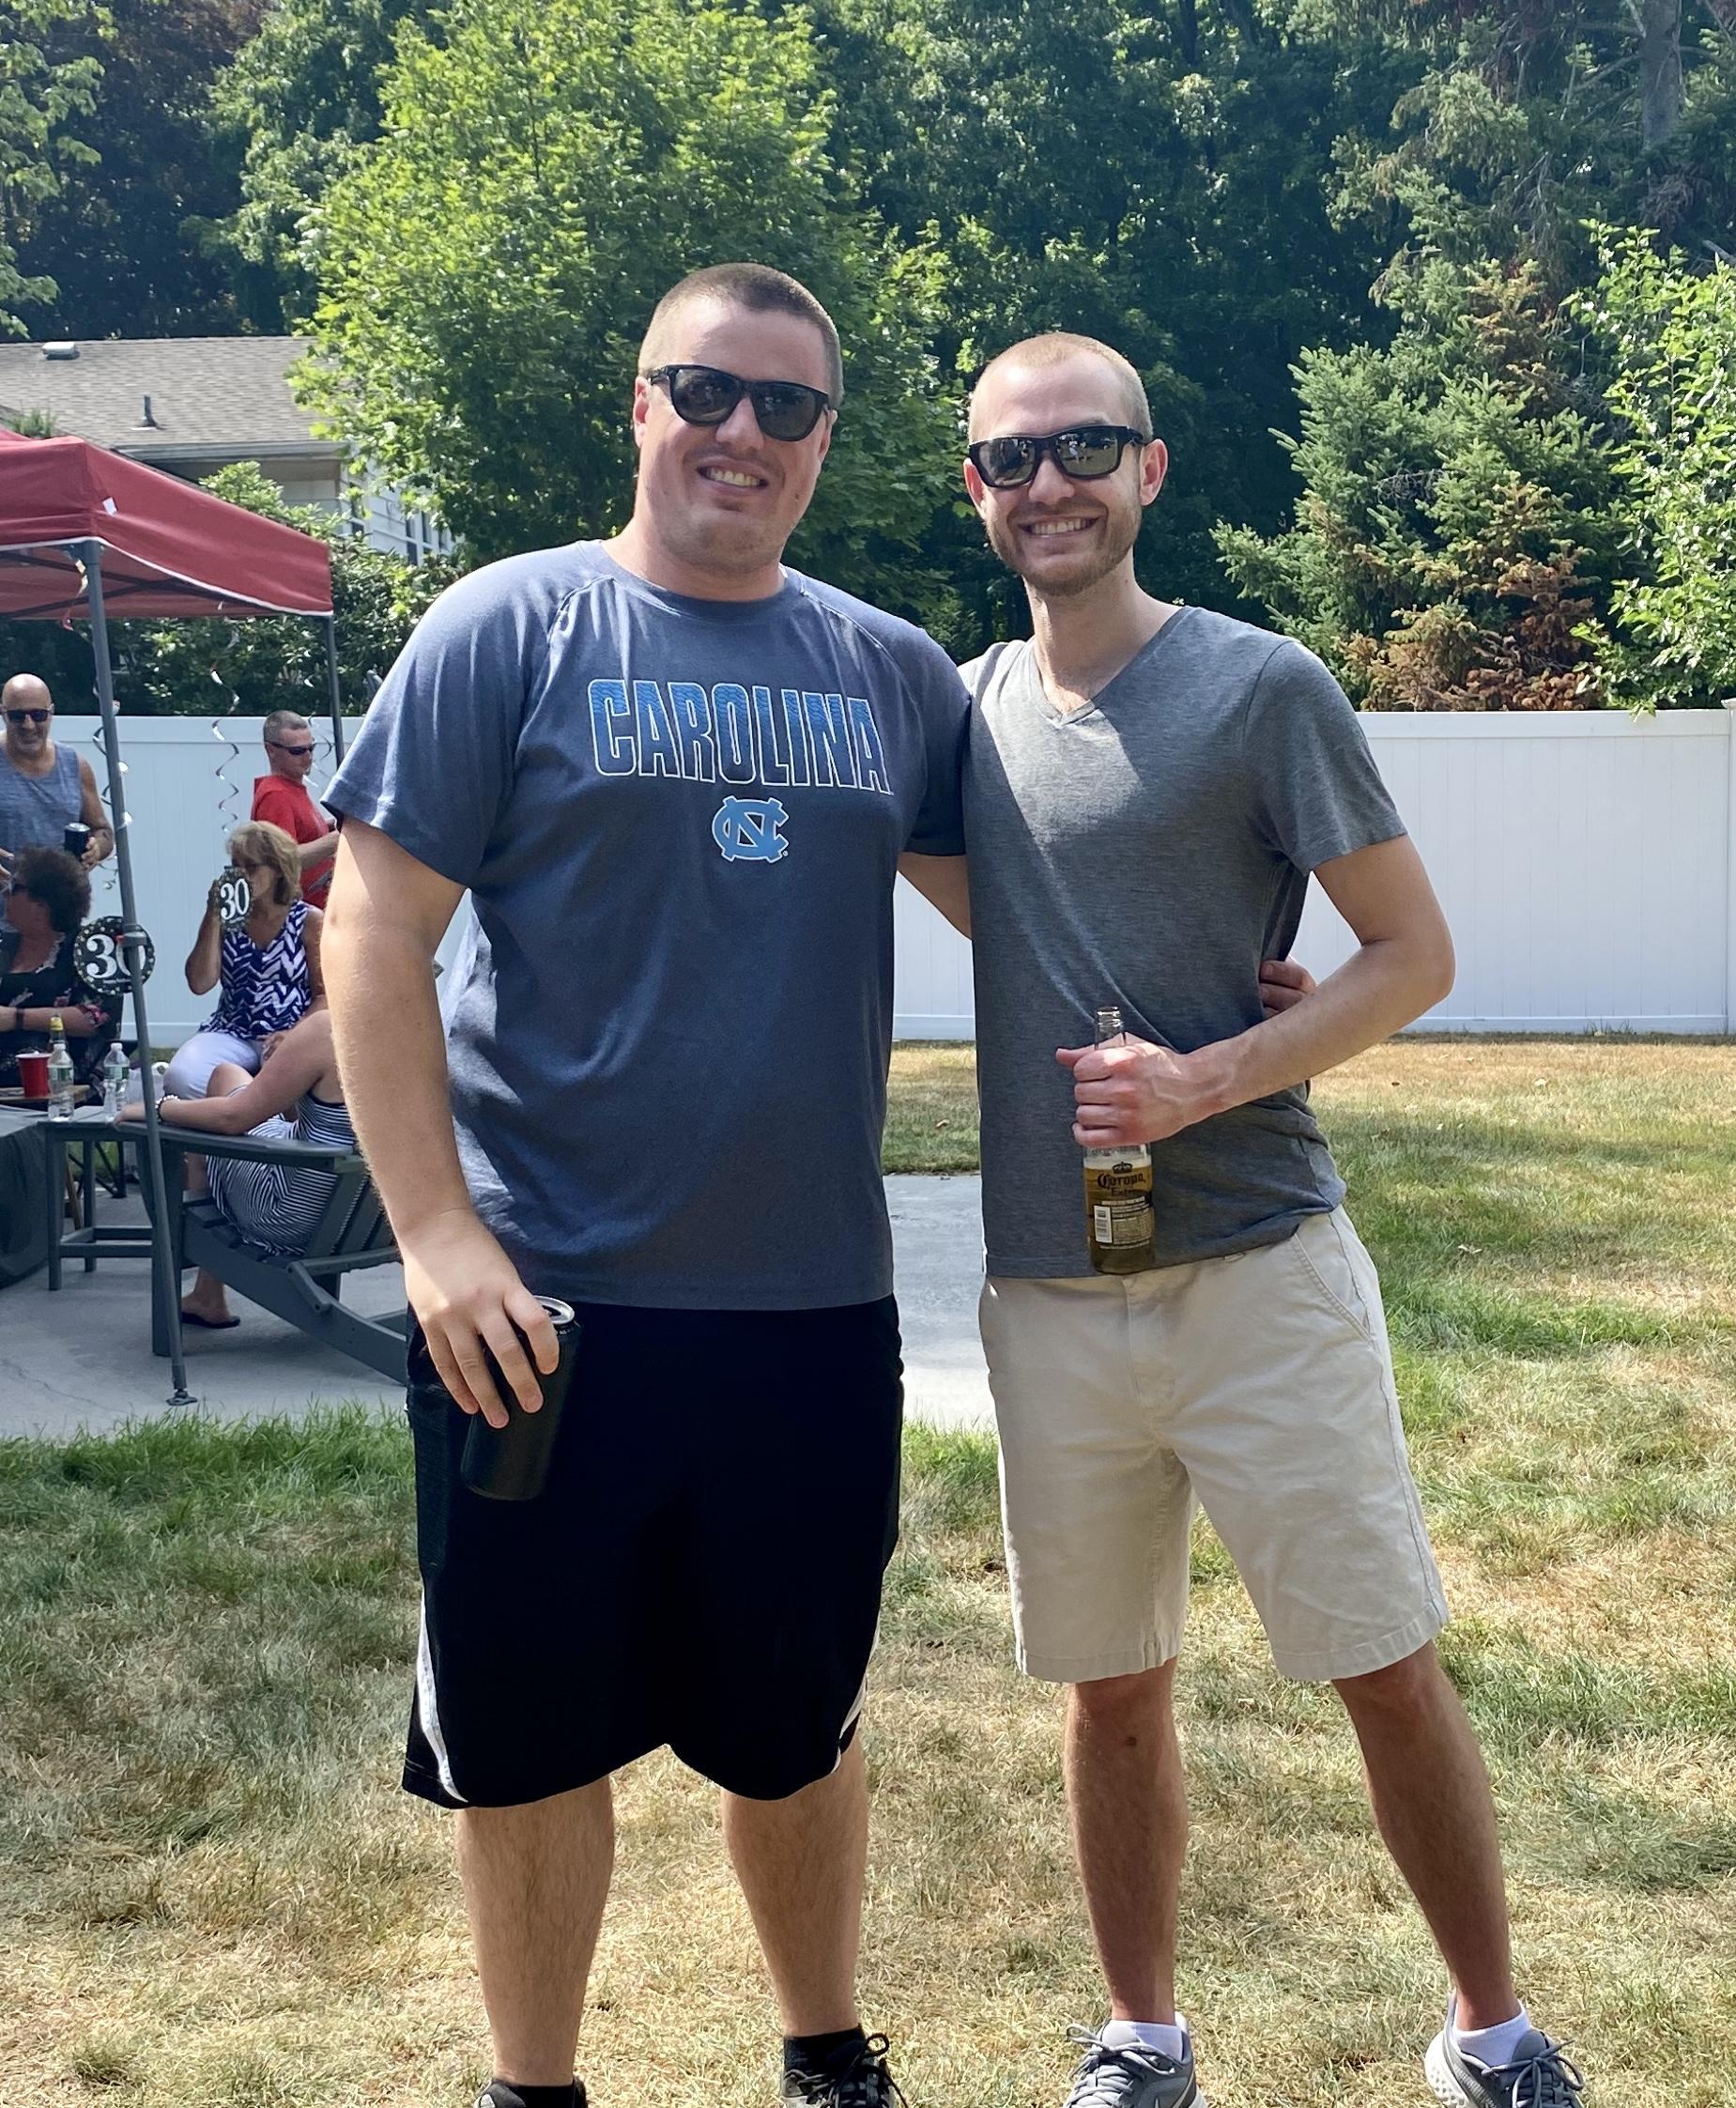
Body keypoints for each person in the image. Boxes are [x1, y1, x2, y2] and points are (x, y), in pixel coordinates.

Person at [319, 263, 969, 2108]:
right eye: (705, 391)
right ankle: (534, 2089)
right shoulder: (508, 630)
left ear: (825, 439)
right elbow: (372, 928)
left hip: (810, 1316)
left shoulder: (890, 673)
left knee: (796, 1727)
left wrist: (1228, 984)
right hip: (540, 1322)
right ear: (641, 404)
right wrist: (434, 1236)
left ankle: (828, 2059)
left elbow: (1037, 907)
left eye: (786, 405)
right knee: (527, 1747)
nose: (741, 432)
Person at [940, 333, 1584, 2108]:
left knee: (1383, 1663)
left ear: (1149, 469)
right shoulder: (958, 715)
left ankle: (1491, 2032)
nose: (1050, 483)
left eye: (1086, 447)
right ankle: (1140, 2038)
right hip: (1051, 1287)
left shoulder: (1259, 687)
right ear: (974, 489)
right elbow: (969, 885)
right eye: (1011, 457)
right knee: (1109, 1690)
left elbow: (1412, 955)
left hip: (1261, 1268)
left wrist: (1212, 1074)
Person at [119, 1008, 350, 1328]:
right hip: (364, 1217)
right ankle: (206, 1294)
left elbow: (232, 1118)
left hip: (290, 1214)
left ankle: (207, 1284)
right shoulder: (413, 1031)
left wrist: (160, 1108)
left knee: (211, 1114)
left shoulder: (330, 1029)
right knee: (227, 1074)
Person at [165, 820, 323, 1100]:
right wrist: (213, 916)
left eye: (251, 867)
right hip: (232, 1029)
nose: (241, 875)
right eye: (235, 866)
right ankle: (248, 1105)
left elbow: (325, 997)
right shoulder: (230, 919)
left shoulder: (307, 920)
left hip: (286, 1031)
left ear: (277, 869)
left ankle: (244, 1106)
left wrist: (295, 1033)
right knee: (180, 1077)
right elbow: (200, 983)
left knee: (287, 1076)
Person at [0, 844, 115, 1088]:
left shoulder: (89, 948)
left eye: (14, 888)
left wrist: (16, 1018)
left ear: (41, 904)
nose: (4, 894)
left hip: (62, 1081)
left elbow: (97, 1017)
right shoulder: (4, 945)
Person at [0, 672, 114, 876]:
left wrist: (96, 849)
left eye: (38, 715)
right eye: (17, 716)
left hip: (62, 895)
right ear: (3, 714)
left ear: (51, 713)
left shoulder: (74, 765)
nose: (28, 725)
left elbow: (103, 831)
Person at [251, 708, 338, 908]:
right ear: (271, 750)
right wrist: (336, 839)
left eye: (311, 748)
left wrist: (334, 825)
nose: (307, 757)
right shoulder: (276, 795)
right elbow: (282, 861)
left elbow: (303, 834)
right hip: (299, 917)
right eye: (297, 751)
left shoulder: (290, 789)